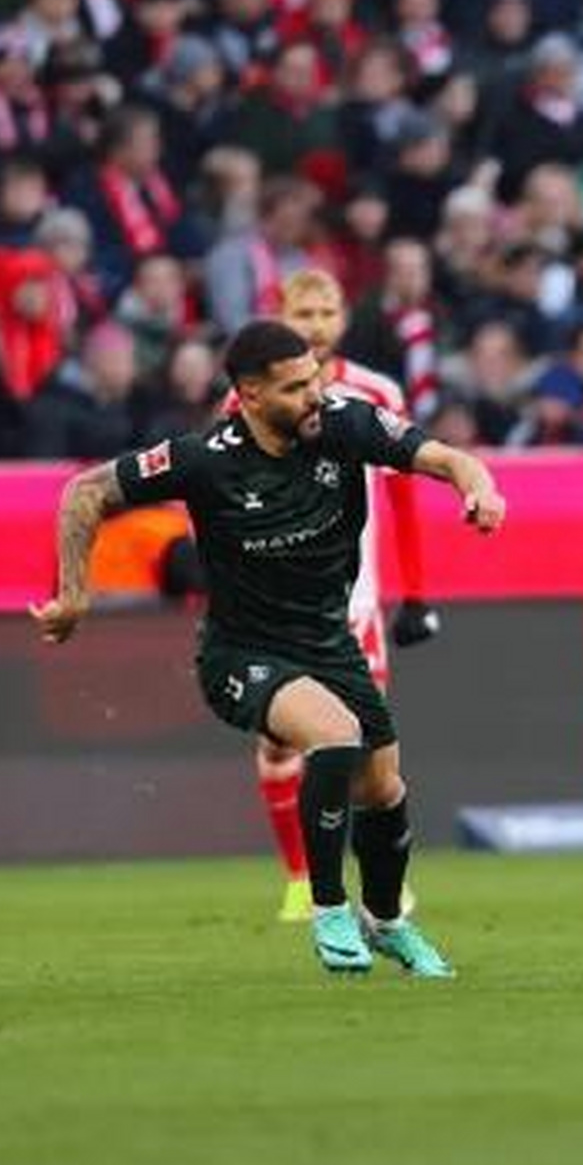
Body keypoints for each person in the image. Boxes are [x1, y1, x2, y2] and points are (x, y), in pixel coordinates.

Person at [31, 320, 506, 977]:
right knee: (335, 737)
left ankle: (387, 921)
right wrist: (72, 595)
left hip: (329, 643)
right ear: (250, 396)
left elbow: (448, 458)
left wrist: (479, 488)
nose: (315, 395)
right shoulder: (205, 458)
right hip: (241, 653)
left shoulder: (346, 423)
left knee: (384, 787)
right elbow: (85, 491)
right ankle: (329, 910)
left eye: (315, 378)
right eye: (295, 387)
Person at [246, 269, 443, 922]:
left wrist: (416, 593)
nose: (317, 324)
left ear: (344, 318)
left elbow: (404, 493)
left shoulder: (375, 392)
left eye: (327, 311)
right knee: (280, 745)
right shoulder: (247, 399)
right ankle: (301, 880)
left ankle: (379, 882)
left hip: (354, 604)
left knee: (363, 750)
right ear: (281, 315)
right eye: (303, 311)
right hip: (276, 604)